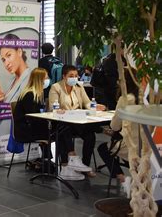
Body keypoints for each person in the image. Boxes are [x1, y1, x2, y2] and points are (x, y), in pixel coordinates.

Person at [49, 64, 106, 180]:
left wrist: (95, 107)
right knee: (65, 128)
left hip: (78, 121)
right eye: (71, 76)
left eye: (75, 75)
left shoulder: (79, 87)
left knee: (90, 136)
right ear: (64, 76)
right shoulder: (56, 87)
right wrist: (58, 110)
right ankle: (72, 156)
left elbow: (87, 103)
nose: (74, 78)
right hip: (62, 122)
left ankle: (84, 166)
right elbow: (52, 107)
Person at [97, 67, 138, 198]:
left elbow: (115, 126)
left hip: (130, 145)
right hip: (149, 144)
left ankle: (123, 179)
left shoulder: (125, 99)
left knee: (103, 149)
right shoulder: (146, 97)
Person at [0, 34, 31, 136]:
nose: (6, 63)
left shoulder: (30, 78)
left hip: (18, 137)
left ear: (19, 51)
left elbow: (22, 109)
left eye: (9, 55)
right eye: (3, 60)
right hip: (6, 136)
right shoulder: (13, 81)